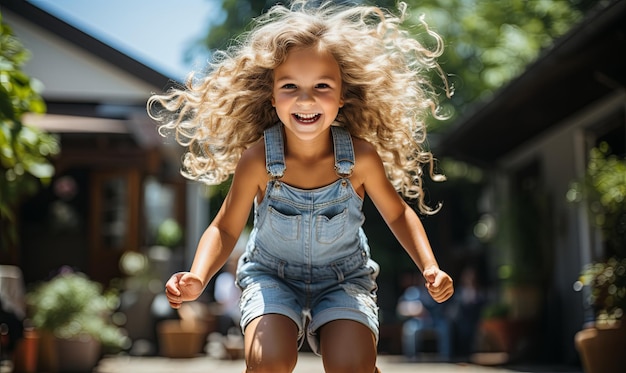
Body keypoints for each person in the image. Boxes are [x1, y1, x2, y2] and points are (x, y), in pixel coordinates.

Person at [151, 1, 454, 372]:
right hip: (271, 277)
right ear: (273, 96)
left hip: (344, 279)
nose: (306, 99)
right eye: (290, 86)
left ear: (343, 95)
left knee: (350, 365)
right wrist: (199, 276)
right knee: (269, 362)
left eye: (321, 86)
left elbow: (398, 214)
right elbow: (225, 227)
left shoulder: (361, 158)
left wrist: (430, 266)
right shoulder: (258, 159)